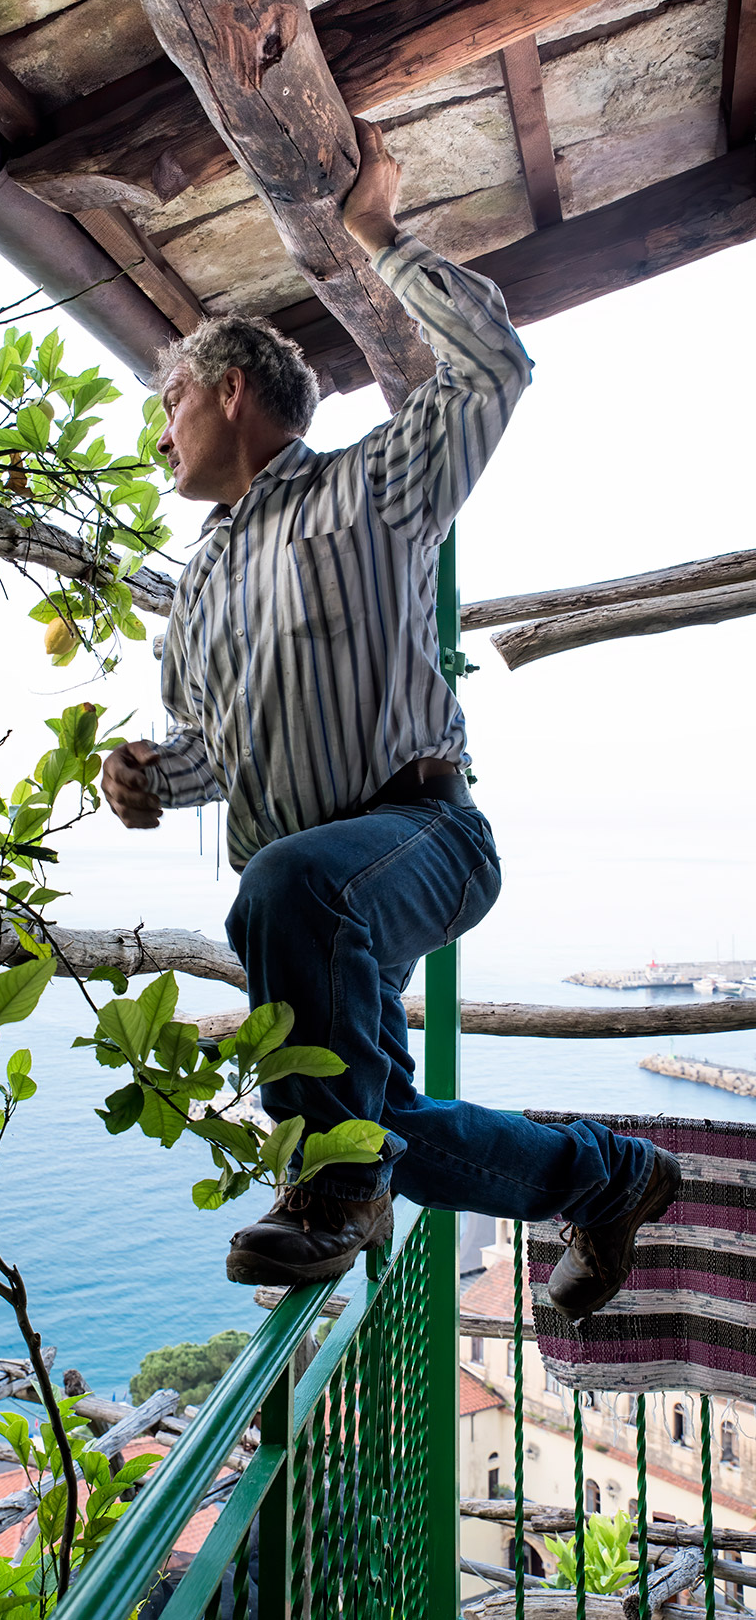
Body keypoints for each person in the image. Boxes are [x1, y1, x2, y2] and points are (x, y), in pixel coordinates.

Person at [102, 118, 679, 1320]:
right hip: (315, 891)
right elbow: (216, 749)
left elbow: (494, 373)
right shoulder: (197, 587)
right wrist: (153, 777)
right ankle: (612, 1179)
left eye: (168, 405)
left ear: (231, 387)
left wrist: (377, 240)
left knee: (288, 913)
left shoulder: (369, 486)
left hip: (421, 838)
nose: (155, 436)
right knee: (387, 1119)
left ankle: (333, 1185)